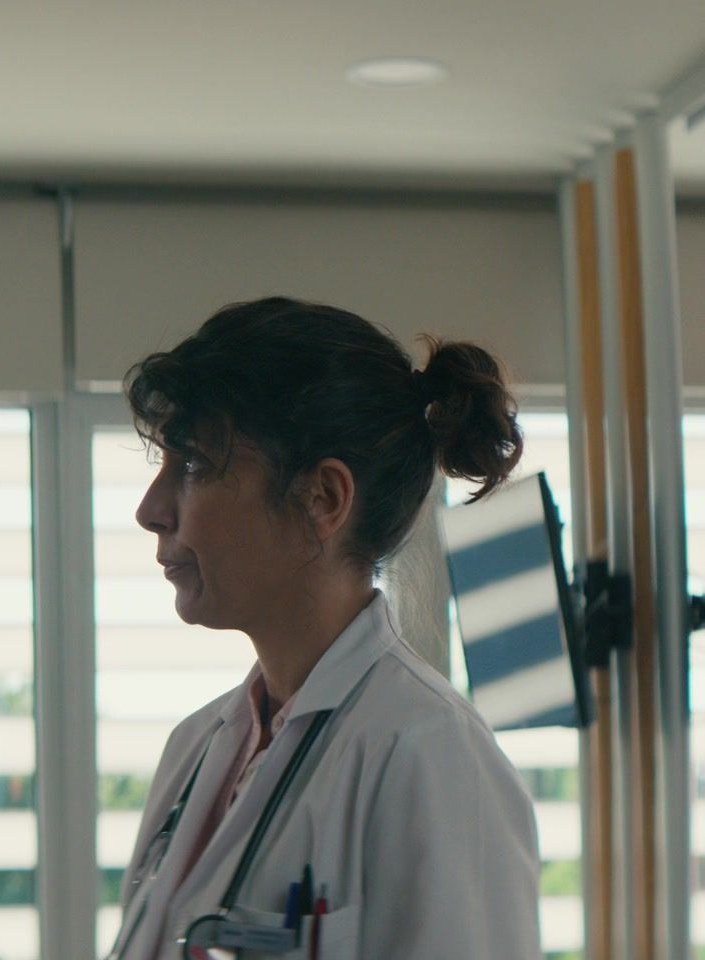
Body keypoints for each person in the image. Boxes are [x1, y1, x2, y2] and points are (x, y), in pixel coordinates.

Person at [104, 297, 541, 959]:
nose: (151, 509)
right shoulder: (193, 750)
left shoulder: (432, 757)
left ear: (323, 498)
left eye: (192, 465)